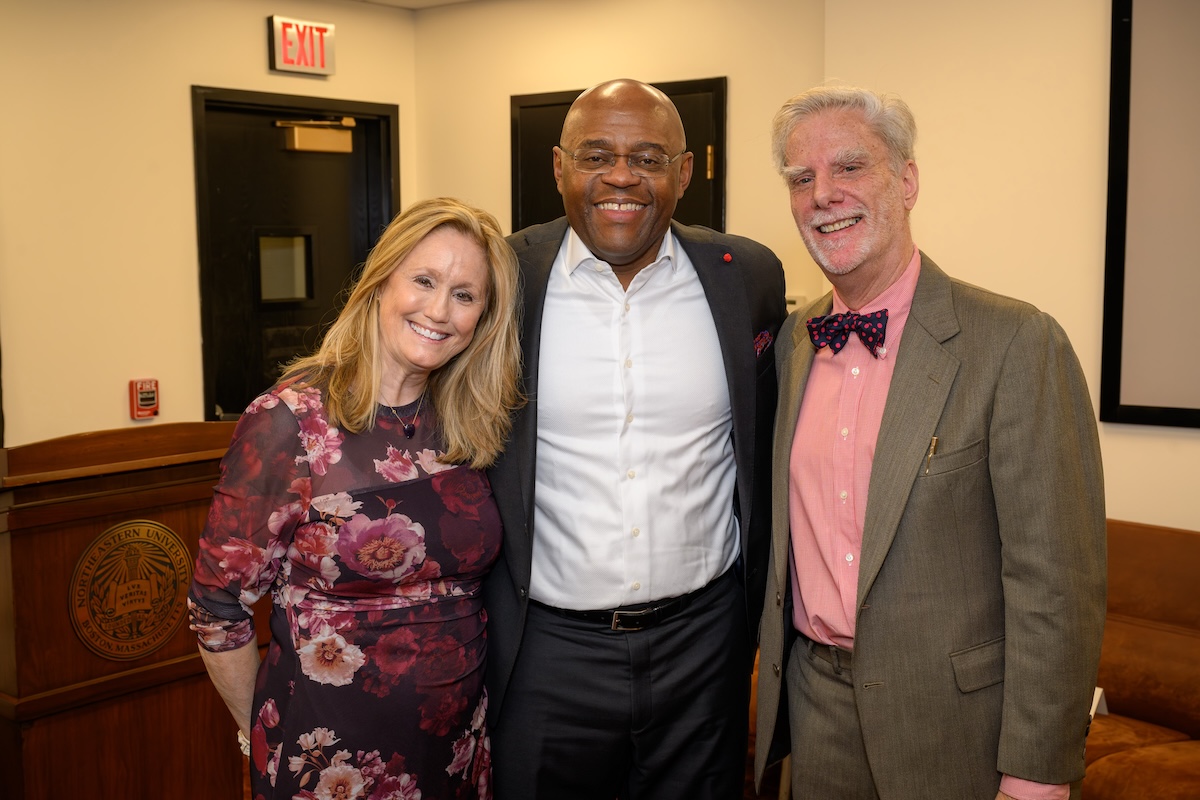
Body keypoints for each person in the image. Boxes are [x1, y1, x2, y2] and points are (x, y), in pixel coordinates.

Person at [753, 86, 1107, 800]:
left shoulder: (1015, 342)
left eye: (850, 167)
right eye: (801, 178)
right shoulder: (792, 342)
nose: (824, 194)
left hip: (958, 731)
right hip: (815, 716)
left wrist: (1037, 772)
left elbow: (1056, 584)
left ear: (906, 181)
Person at [483, 78, 787, 799]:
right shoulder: (501, 277)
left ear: (684, 174)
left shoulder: (746, 277)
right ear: (559, 167)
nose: (622, 176)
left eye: (648, 158)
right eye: (598, 155)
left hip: (702, 645)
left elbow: (770, 439)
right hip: (545, 650)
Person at [188, 196, 522, 800]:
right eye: (424, 281)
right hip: (326, 757)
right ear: (378, 284)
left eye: (465, 295)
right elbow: (217, 607)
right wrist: (259, 734)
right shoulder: (289, 421)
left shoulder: (471, 421)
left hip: (457, 752)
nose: (439, 311)